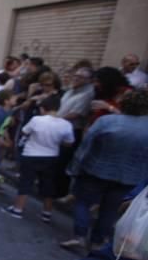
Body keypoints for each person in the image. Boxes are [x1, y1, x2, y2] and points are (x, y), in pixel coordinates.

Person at [61, 90, 148, 251]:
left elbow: (86, 145)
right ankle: (98, 240)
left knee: (83, 202)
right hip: (128, 177)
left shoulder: (107, 121)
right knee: (110, 209)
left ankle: (80, 235)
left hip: (96, 170)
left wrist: (75, 167)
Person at [1, 95, 74, 221]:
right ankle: (47, 213)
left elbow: (24, 132)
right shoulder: (66, 124)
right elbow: (69, 142)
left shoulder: (36, 120)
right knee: (48, 184)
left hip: (31, 153)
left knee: (26, 181)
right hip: (51, 156)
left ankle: (18, 208)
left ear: (42, 109)